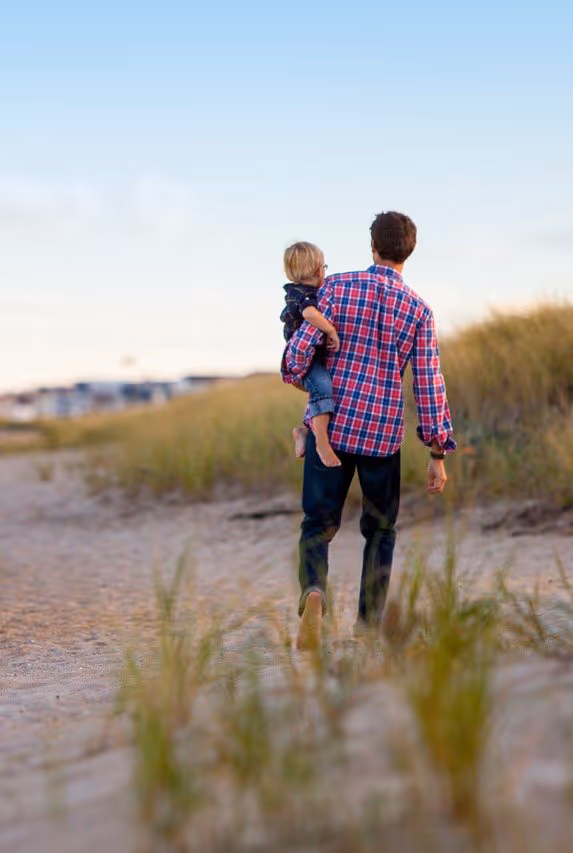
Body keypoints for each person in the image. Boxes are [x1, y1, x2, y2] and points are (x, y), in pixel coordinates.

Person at [282, 211, 457, 649]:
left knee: (317, 525)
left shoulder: (336, 286)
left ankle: (315, 592)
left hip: (334, 430)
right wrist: (437, 453)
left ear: (372, 246)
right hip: (382, 436)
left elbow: (298, 353)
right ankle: (367, 627)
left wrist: (298, 371)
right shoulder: (419, 310)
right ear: (408, 252)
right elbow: (429, 383)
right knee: (380, 531)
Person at [280, 241, 341, 468]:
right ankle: (321, 443)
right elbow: (310, 314)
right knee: (323, 387)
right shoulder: (304, 295)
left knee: (320, 391)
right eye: (324, 266)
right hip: (305, 359)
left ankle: (304, 431)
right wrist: (330, 329)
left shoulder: (301, 291)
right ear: (318, 270)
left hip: (311, 357)